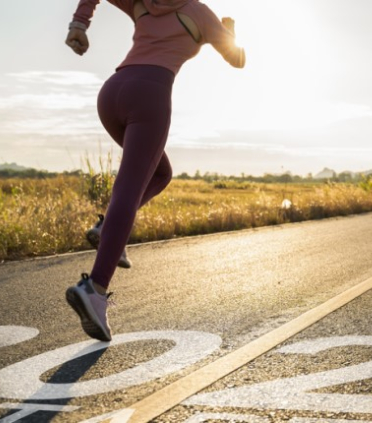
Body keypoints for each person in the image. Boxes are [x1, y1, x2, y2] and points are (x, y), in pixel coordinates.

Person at [63, 0, 245, 342]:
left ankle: (107, 232)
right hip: (150, 94)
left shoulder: (142, 2)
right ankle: (95, 289)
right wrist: (229, 32)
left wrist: (79, 24)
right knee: (128, 191)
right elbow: (238, 59)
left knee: (160, 174)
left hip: (112, 93)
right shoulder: (199, 13)